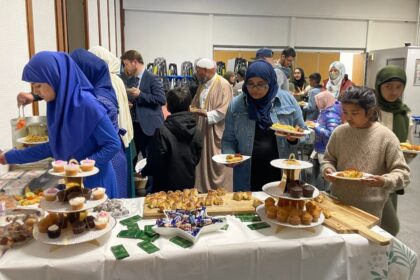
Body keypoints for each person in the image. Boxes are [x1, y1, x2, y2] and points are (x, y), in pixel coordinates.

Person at [0, 51, 121, 198]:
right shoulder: (59, 106)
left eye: (38, 85)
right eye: (33, 87)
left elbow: (113, 144)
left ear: (55, 78)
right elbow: (53, 146)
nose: (36, 92)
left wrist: (82, 167)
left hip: (97, 185)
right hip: (73, 183)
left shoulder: (87, 104)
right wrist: (9, 157)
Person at [321, 87, 410, 219]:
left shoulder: (386, 137)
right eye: (345, 112)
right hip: (338, 201)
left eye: (355, 113)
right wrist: (328, 169)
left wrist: (384, 181)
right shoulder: (339, 132)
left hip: (370, 208)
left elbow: (403, 173)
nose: (348, 118)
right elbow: (328, 159)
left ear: (370, 111)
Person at [222, 59, 305, 192]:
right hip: (247, 171)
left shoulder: (287, 100)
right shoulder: (236, 105)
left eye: (261, 84)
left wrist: (294, 138)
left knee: (281, 208)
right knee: (249, 208)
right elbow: (228, 139)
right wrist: (229, 155)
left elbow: (304, 133)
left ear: (270, 82)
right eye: (250, 84)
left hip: (281, 170)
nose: (254, 89)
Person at [69, 48, 128, 198]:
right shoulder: (102, 87)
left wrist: (82, 165)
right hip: (111, 156)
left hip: (104, 161)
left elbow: (107, 143)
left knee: (106, 210)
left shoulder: (97, 100)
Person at [88, 46, 136, 198]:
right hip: (122, 136)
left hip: (112, 139)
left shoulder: (107, 81)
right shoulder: (117, 79)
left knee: (113, 187)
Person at [375, 65, 416, 236]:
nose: (394, 92)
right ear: (379, 87)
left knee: (387, 222)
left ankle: (382, 255)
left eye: (399, 87)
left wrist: (408, 155)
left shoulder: (404, 113)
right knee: (380, 221)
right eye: (388, 87)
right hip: (372, 171)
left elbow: (409, 143)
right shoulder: (370, 110)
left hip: (394, 172)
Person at [141, 87, 202, 192]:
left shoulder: (162, 131)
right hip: (187, 184)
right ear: (189, 107)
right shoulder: (197, 130)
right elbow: (196, 158)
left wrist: (144, 171)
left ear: (168, 107)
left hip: (163, 187)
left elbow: (155, 161)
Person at [190, 58, 233, 193]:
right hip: (202, 128)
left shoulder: (223, 84)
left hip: (215, 130)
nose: (196, 73)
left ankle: (220, 190)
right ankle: (203, 188)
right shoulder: (202, 84)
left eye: (199, 71)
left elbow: (225, 110)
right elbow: (195, 103)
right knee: (202, 160)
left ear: (207, 71)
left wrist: (206, 114)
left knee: (216, 162)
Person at [120, 50, 166, 163]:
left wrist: (141, 94)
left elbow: (161, 99)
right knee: (131, 161)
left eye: (126, 64)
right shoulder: (130, 79)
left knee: (150, 162)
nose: (125, 68)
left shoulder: (153, 78)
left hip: (149, 128)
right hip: (133, 128)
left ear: (134, 62)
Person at [310, 90, 342, 189]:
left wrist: (316, 126)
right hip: (319, 146)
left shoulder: (332, 114)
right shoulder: (325, 111)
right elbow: (322, 123)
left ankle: (327, 192)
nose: (317, 104)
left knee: (327, 172)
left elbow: (331, 134)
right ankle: (313, 188)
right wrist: (313, 123)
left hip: (326, 149)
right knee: (315, 167)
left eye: (318, 101)